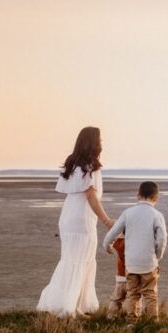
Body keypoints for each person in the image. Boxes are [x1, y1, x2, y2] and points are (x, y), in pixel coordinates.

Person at [37, 127, 114, 316]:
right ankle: (71, 307)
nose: (102, 143)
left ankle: (72, 304)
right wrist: (106, 220)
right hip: (82, 219)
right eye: (100, 139)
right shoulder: (90, 165)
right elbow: (91, 196)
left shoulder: (73, 163)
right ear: (93, 142)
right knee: (81, 260)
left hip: (69, 216)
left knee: (72, 259)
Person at [102, 181, 167, 321]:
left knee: (132, 293)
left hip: (131, 264)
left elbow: (112, 234)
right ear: (156, 198)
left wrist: (107, 246)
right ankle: (151, 322)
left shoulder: (127, 213)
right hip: (149, 263)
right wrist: (158, 255)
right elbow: (162, 239)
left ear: (138, 196)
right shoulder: (157, 215)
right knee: (150, 293)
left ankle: (131, 322)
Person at [107, 238, 128, 318]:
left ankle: (111, 316)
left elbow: (111, 239)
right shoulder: (134, 243)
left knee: (116, 299)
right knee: (134, 299)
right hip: (133, 278)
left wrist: (109, 248)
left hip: (120, 278)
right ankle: (134, 316)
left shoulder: (119, 242)